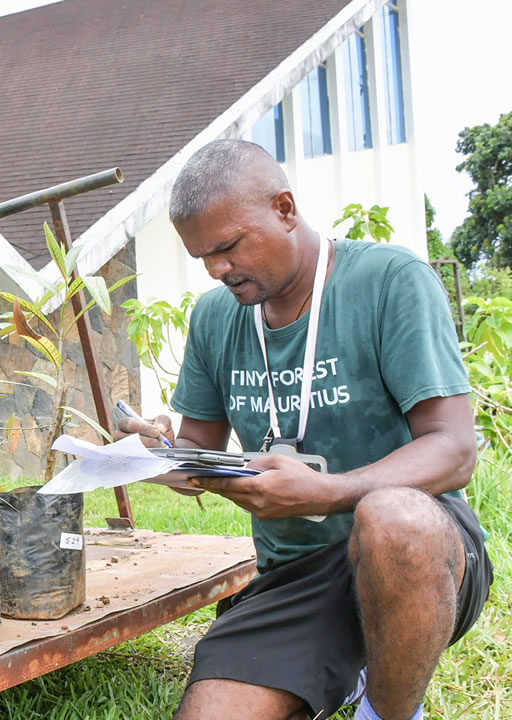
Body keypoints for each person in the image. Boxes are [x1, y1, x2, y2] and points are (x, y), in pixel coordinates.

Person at [119, 139, 492, 720]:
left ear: (286, 209)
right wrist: (162, 455)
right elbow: (200, 450)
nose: (218, 271)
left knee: (392, 516)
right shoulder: (217, 317)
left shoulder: (389, 280)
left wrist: (327, 491)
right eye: (202, 258)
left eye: (228, 247)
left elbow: (455, 448)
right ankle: (344, 658)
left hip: (419, 553)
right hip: (295, 577)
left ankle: (388, 706)